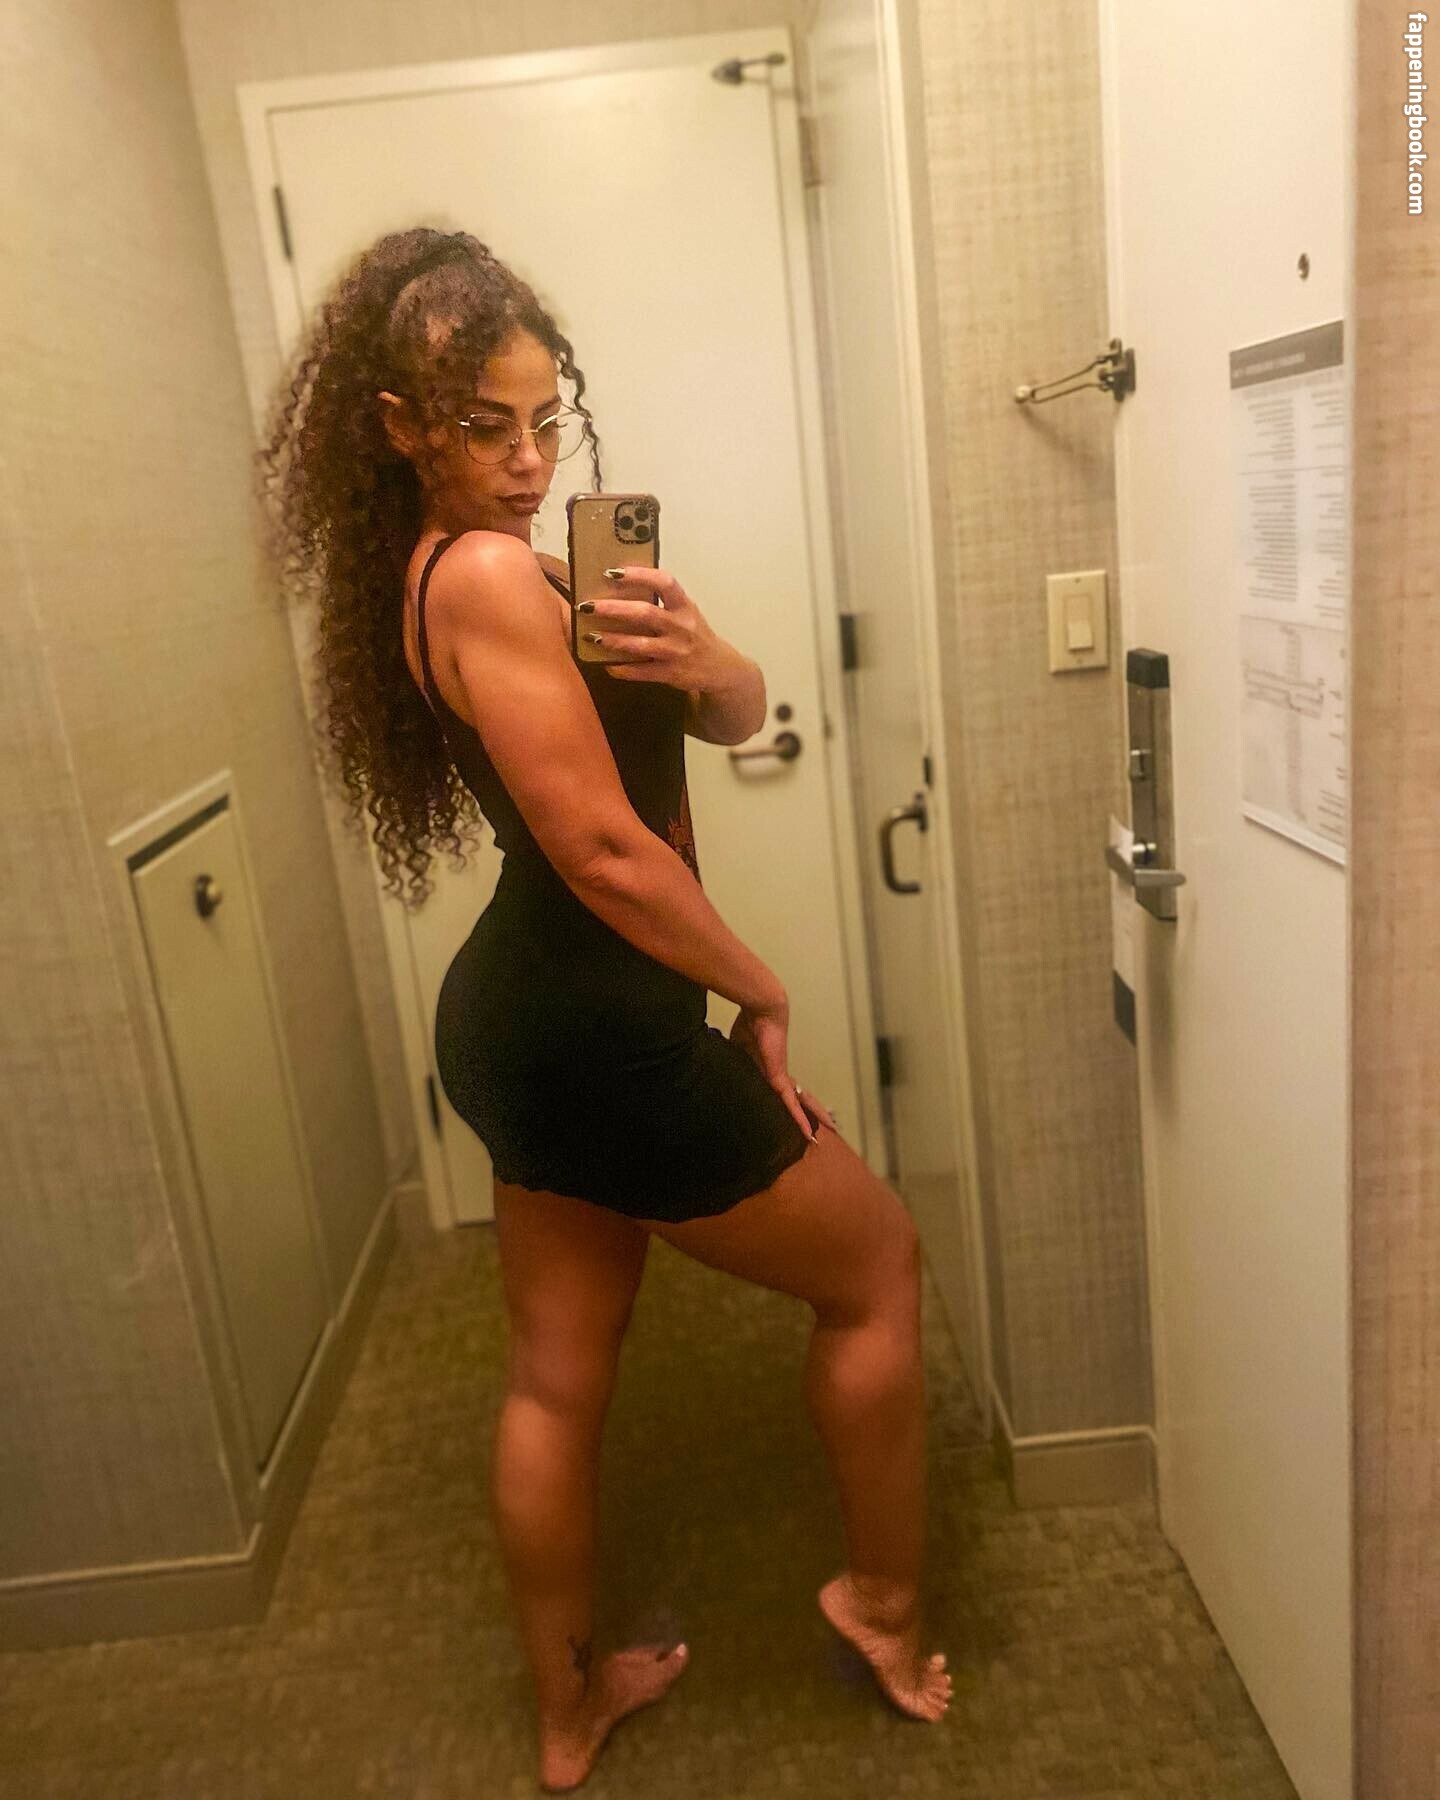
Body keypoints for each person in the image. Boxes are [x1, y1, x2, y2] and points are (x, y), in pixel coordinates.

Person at [257, 225, 950, 1792]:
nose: (524, 460)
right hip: (596, 1028)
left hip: (526, 1025)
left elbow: (731, 718)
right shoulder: (489, 574)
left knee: (558, 1377)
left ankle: (566, 1712)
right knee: (878, 1268)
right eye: (481, 426)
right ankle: (883, 1601)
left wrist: (710, 658)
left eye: (542, 420)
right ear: (399, 427)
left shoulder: (490, 571)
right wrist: (762, 987)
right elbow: (602, 850)